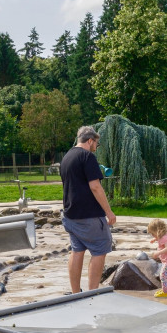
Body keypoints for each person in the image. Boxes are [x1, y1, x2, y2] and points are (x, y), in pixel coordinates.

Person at [60, 125, 117, 294]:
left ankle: (76, 292)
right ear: (90, 140)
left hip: (70, 215)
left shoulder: (67, 157)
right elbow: (96, 187)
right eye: (96, 144)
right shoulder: (87, 157)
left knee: (77, 251)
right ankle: (93, 293)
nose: (96, 148)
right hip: (89, 216)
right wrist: (109, 212)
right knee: (100, 250)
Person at [146, 218, 167, 298]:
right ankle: (165, 289)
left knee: (163, 276)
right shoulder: (163, 236)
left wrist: (158, 253)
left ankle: (165, 291)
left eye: (153, 234)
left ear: (157, 230)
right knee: (164, 276)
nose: (153, 235)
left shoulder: (164, 238)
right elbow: (161, 239)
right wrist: (155, 239)